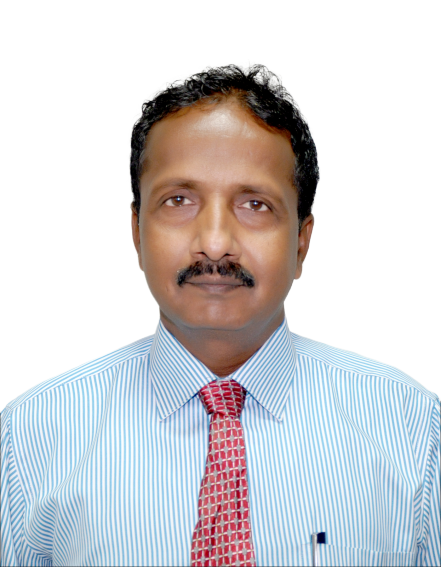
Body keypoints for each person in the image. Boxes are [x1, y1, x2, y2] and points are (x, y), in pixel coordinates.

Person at [1, 61, 439, 567]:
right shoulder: (27, 437)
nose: (214, 243)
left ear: (302, 240)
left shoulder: (414, 427)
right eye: (179, 200)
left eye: (255, 204)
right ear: (136, 230)